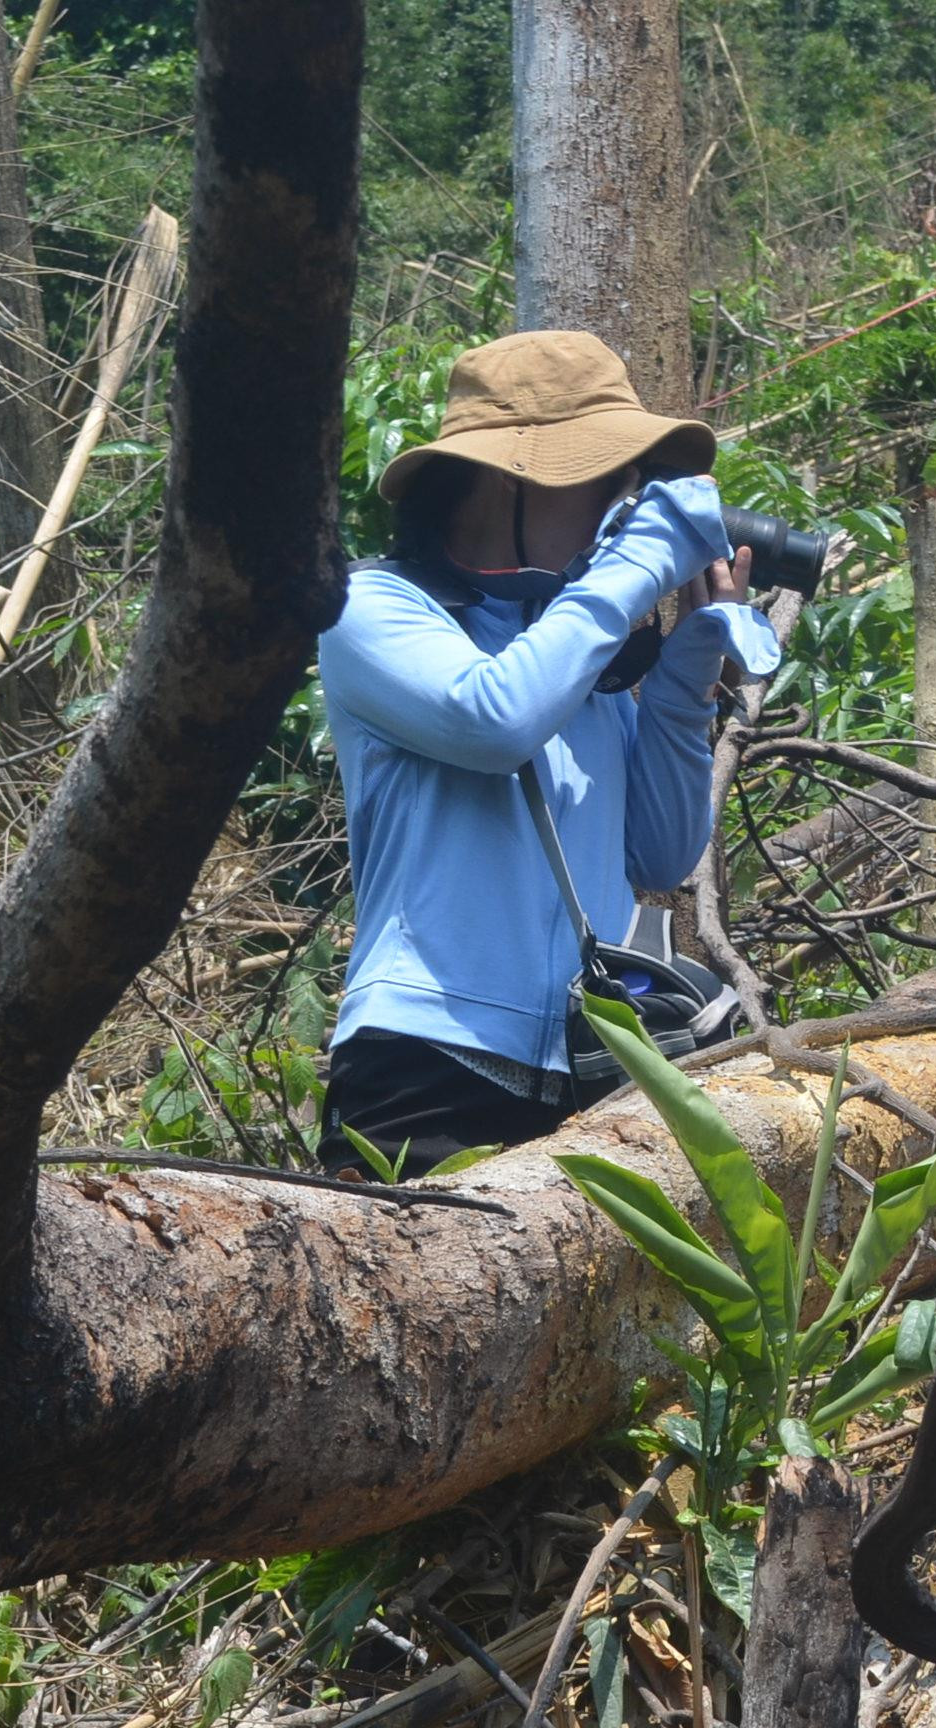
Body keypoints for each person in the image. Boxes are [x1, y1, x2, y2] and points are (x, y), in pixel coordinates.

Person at [315, 329, 783, 1178]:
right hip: (426, 1065)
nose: (624, 503)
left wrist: (681, 681)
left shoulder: (567, 644)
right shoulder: (372, 607)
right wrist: (639, 560)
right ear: (507, 478)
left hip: (588, 1071)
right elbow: (494, 722)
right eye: (607, 478)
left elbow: (661, 852)